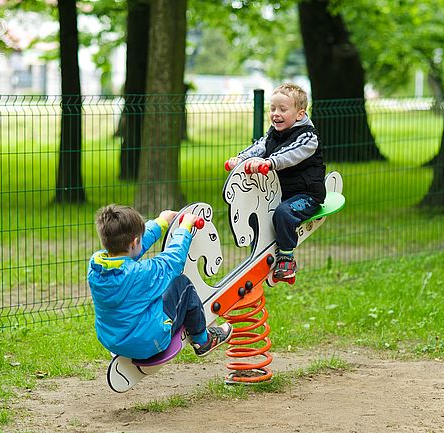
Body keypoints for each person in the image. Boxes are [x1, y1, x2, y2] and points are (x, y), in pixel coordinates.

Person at [88, 204, 232, 360]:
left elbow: (129, 253)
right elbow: (172, 260)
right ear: (135, 242)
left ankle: (126, 346)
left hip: (113, 341)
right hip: (147, 342)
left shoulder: (96, 266)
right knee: (181, 284)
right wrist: (184, 229)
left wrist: (161, 222)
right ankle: (203, 340)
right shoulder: (140, 273)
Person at [226, 83, 326, 281]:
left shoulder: (308, 137)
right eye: (272, 109)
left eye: (282, 109)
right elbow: (259, 147)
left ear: (299, 114)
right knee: (257, 209)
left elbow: (289, 154)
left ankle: (287, 259)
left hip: (306, 194)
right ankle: (257, 251)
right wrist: (241, 159)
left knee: (283, 212)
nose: (275, 114)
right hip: (282, 192)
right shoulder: (274, 133)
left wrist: (269, 162)